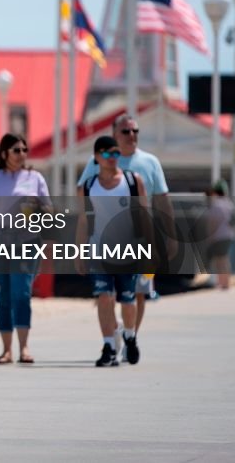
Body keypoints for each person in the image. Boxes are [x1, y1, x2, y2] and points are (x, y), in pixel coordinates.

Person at [77, 114, 175, 344]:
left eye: (135, 131)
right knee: (107, 294)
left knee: (138, 292)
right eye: (126, 131)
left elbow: (162, 201)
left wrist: (170, 237)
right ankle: (113, 336)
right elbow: (82, 197)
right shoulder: (98, 163)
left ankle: (131, 338)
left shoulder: (150, 162)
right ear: (114, 135)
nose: (132, 135)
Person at [0, 133, 49, 364]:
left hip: (26, 244)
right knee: (1, 295)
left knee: (21, 293)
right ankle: (6, 349)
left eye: (25, 149)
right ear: (5, 153)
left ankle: (24, 347)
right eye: (17, 150)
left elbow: (49, 211)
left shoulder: (34, 178)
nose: (22, 154)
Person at [75, 136, 151, 367]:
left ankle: (130, 336)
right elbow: (83, 221)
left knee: (128, 301)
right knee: (104, 298)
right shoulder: (87, 187)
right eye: (107, 154)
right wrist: (78, 252)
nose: (112, 158)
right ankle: (108, 345)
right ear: (97, 157)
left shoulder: (132, 181)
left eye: (116, 153)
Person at [203, 180, 235, 290]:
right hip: (229, 235)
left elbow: (212, 222)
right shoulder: (229, 204)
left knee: (219, 260)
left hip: (218, 236)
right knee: (225, 259)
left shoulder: (216, 205)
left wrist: (209, 236)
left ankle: (221, 282)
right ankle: (226, 282)